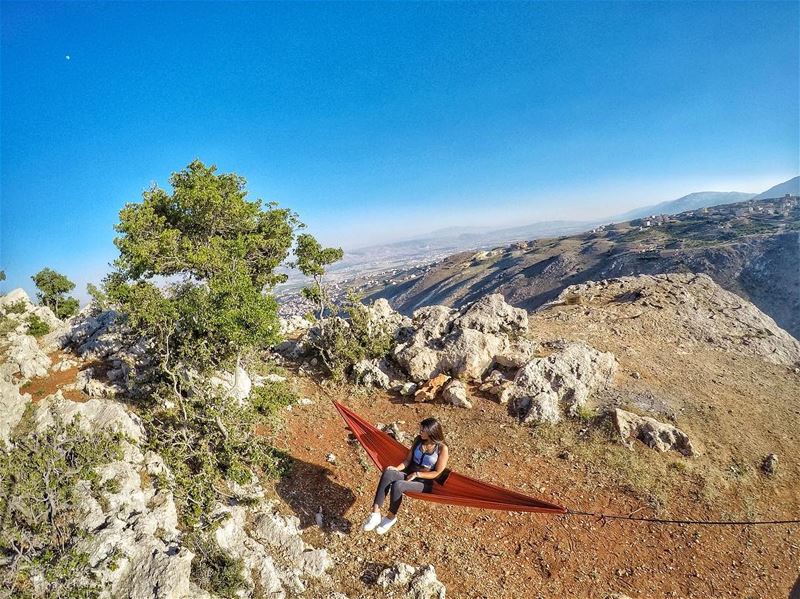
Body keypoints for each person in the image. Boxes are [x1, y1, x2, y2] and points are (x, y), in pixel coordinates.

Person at [363, 416, 450, 534]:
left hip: (424, 483)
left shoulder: (442, 448)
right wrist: (396, 469)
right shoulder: (418, 440)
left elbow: (437, 473)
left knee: (398, 485)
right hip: (410, 475)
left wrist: (417, 474)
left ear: (431, 432)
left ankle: (390, 517)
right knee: (388, 473)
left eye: (422, 430)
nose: (420, 432)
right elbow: (408, 460)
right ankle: (375, 514)